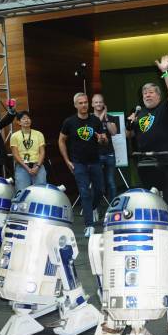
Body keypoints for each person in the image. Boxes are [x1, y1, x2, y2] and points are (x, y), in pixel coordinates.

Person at [127, 54, 168, 227]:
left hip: (165, 160)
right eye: (144, 93)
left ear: (158, 95)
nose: (147, 95)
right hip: (144, 162)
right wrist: (128, 125)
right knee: (149, 196)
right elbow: (130, 136)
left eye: (150, 92)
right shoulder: (139, 113)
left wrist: (165, 73)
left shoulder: (165, 108)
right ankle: (155, 225)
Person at [59, 92, 106, 237]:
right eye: (81, 103)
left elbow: (104, 140)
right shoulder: (69, 122)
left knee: (100, 190)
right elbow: (61, 140)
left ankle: (90, 209)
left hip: (95, 161)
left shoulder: (95, 121)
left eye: (85, 102)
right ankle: (89, 225)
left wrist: (102, 139)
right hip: (78, 163)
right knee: (85, 193)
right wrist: (67, 161)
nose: (84, 105)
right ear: (75, 105)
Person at [10, 111, 47, 191]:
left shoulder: (39, 134)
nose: (27, 120)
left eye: (28, 118)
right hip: (22, 167)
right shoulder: (14, 136)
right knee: (22, 192)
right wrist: (27, 168)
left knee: (41, 191)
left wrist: (37, 166)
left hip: (38, 166)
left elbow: (42, 152)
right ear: (18, 122)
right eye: (24, 119)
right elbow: (15, 154)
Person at [92, 93, 118, 202]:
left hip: (109, 153)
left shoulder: (110, 117)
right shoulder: (89, 118)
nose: (98, 104)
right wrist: (101, 117)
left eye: (100, 102)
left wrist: (106, 118)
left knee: (111, 182)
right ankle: (95, 208)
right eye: (96, 102)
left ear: (103, 103)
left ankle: (113, 207)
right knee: (97, 182)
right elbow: (93, 130)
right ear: (92, 104)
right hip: (95, 154)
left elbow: (113, 132)